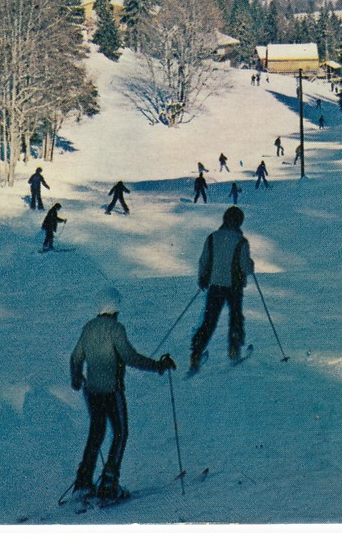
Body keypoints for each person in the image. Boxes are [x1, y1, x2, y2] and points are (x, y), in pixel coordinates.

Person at [70, 287, 176, 500]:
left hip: (92, 392)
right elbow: (130, 357)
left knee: (96, 433)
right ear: (115, 307)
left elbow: (75, 357)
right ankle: (109, 481)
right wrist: (158, 366)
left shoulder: (88, 328)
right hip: (112, 391)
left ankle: (83, 480)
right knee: (120, 433)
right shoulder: (116, 329)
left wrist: (76, 377)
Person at [189, 206, 255, 370]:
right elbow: (246, 267)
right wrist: (251, 265)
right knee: (236, 317)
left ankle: (196, 352)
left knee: (209, 320)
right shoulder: (241, 241)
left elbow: (203, 261)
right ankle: (234, 349)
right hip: (234, 287)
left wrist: (202, 278)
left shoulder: (212, 238)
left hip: (215, 285)